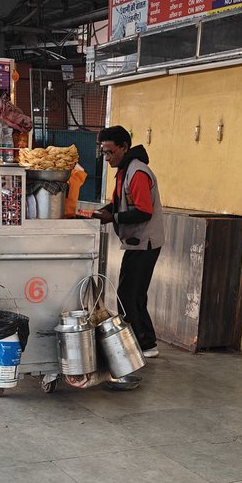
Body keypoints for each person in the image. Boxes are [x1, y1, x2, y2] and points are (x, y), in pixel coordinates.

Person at [93, 125, 164, 362]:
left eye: (110, 152)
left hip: (145, 241)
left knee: (128, 293)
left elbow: (144, 211)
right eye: (104, 152)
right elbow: (120, 203)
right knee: (133, 293)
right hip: (137, 241)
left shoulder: (137, 173)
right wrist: (102, 213)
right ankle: (145, 342)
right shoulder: (124, 170)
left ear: (124, 147)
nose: (107, 157)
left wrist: (112, 217)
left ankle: (142, 343)